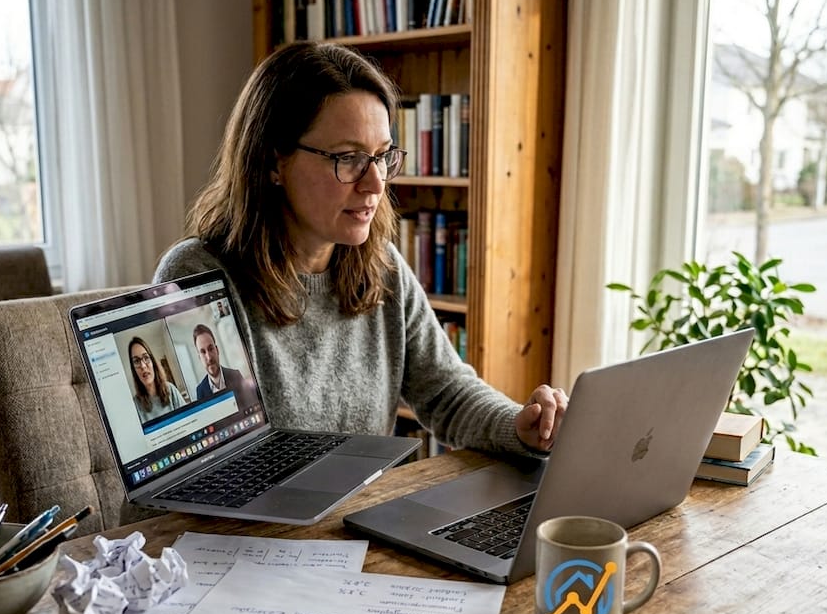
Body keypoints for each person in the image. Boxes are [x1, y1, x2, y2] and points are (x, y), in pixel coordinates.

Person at [154, 41, 567, 455]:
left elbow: (446, 391)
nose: (375, 184)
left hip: (358, 515)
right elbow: (198, 466)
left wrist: (518, 425)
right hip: (241, 521)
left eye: (383, 157)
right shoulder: (197, 273)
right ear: (273, 161)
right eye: (348, 157)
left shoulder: (382, 265)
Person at [191, 323, 255, 409]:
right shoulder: (200, 391)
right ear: (199, 357)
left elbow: (251, 407)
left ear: (217, 350)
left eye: (211, 349)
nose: (209, 357)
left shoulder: (235, 376)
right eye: (203, 352)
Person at [127, 337, 184, 424]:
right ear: (133, 370)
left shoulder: (171, 390)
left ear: (153, 362)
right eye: (136, 361)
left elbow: (188, 422)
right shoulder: (134, 406)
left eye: (146, 357)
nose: (143, 366)